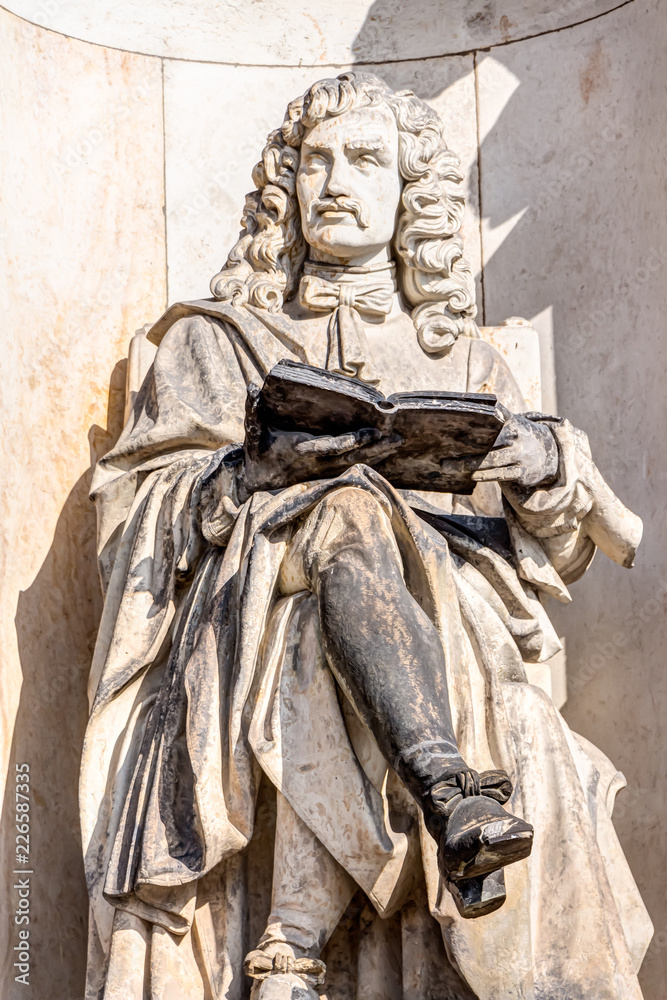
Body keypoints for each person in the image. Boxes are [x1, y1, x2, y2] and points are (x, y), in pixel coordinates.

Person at [81, 72, 652, 1000]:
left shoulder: (465, 360)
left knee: (360, 613)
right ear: (287, 184)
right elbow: (137, 520)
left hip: (448, 617)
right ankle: (449, 791)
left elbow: (563, 549)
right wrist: (244, 475)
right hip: (254, 604)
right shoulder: (217, 343)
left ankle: (290, 945)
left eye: (363, 160)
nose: (333, 181)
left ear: (407, 195)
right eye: (314, 161)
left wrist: (543, 464)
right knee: (342, 520)